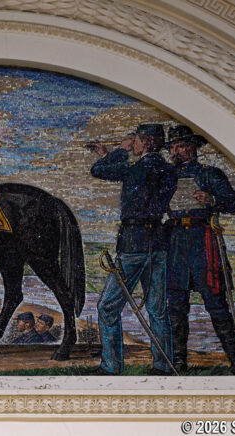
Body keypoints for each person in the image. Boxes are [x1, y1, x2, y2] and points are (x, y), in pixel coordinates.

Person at [89, 123, 177, 375]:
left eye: (136, 140)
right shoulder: (167, 170)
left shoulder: (139, 168)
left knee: (107, 307)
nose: (133, 145)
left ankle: (111, 367)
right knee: (158, 309)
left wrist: (118, 150)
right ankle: (162, 367)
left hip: (134, 243)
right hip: (158, 243)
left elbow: (98, 171)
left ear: (147, 142)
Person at [165, 125, 235, 374]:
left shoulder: (210, 175)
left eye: (182, 145)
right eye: (174, 146)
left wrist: (212, 200)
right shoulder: (165, 176)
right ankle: (179, 361)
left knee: (215, 302)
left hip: (203, 242)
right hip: (175, 242)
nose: (178, 151)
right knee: (176, 305)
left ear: (194, 148)